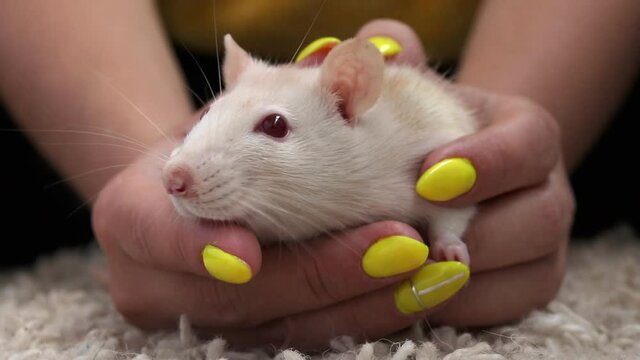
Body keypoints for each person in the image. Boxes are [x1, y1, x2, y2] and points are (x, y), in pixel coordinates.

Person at [0, 0, 638, 350]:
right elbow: (172, 166)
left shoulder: (383, 131)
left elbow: (456, 146)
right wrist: (143, 191)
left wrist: (475, 208)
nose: (182, 172)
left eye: (274, 129)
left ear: (349, 102)